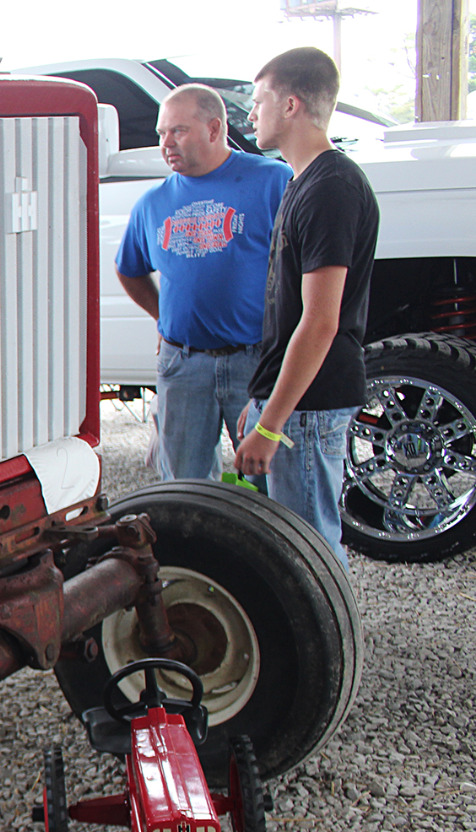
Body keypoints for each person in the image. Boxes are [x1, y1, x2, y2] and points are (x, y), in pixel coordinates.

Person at [234, 47, 379, 567]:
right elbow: (288, 311)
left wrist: (272, 424)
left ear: (291, 104)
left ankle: (334, 649)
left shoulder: (331, 187)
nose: (251, 114)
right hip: (293, 399)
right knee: (291, 547)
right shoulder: (301, 182)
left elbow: (320, 322)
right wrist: (264, 393)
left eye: (259, 100)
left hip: (311, 405)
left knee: (310, 549)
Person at [116, 84, 292, 482]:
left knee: (273, 479)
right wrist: (164, 317)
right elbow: (129, 268)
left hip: (255, 359)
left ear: (214, 129)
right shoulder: (152, 203)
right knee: (183, 484)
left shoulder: (273, 182)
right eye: (162, 134)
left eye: (178, 131)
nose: (166, 143)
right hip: (183, 363)